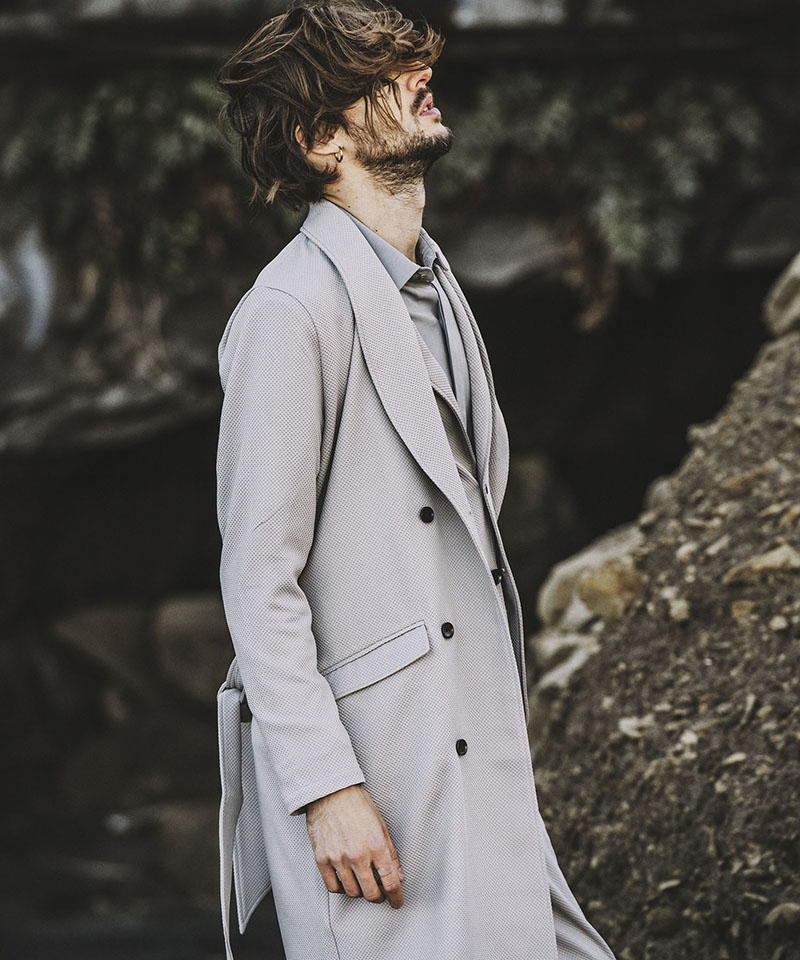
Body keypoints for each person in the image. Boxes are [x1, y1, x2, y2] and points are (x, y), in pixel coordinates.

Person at [214, 2, 619, 959]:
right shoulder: (289, 311)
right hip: (383, 780)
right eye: (383, 77)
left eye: (413, 61)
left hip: (475, 756)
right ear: (322, 140)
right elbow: (259, 577)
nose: (419, 76)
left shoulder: (433, 286)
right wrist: (326, 787)